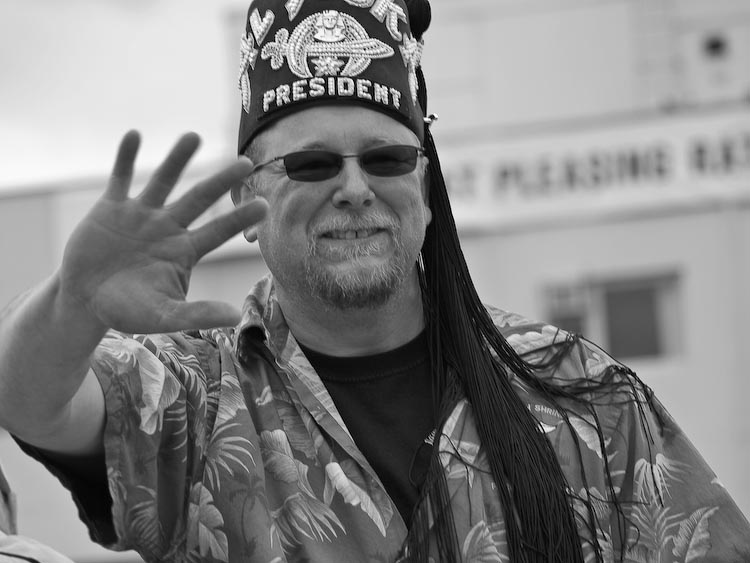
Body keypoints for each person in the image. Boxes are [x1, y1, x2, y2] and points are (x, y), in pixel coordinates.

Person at [0, 0, 749, 561]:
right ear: (249, 199)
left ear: (424, 190)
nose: (355, 188)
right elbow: (28, 398)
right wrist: (73, 305)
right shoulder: (193, 398)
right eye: (312, 163)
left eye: (387, 159)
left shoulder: (585, 394)